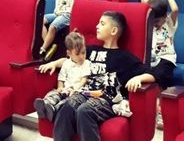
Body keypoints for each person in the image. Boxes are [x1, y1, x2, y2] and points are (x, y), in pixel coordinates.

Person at [40, 11, 156, 141]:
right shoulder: (89, 51)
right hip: (83, 93)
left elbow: (156, 73)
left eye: (102, 23)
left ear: (113, 31)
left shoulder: (125, 57)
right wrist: (54, 63)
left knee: (84, 111)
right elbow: (71, 60)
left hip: (106, 99)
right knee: (67, 106)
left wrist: (139, 78)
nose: (97, 26)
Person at [34, 31, 91, 121]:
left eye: (83, 53)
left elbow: (84, 80)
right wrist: (60, 87)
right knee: (54, 93)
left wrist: (74, 88)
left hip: (77, 91)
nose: (81, 56)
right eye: (77, 54)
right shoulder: (66, 63)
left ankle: (54, 110)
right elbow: (61, 78)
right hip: (65, 89)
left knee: (66, 102)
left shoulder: (86, 63)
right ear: (69, 54)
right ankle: (45, 104)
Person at [143, 0, 178, 89]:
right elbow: (144, 1)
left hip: (166, 58)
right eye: (152, 21)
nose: (154, 24)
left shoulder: (169, 23)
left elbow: (175, 10)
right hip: (151, 59)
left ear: (165, 16)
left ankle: (161, 93)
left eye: (157, 21)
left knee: (162, 72)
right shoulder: (150, 25)